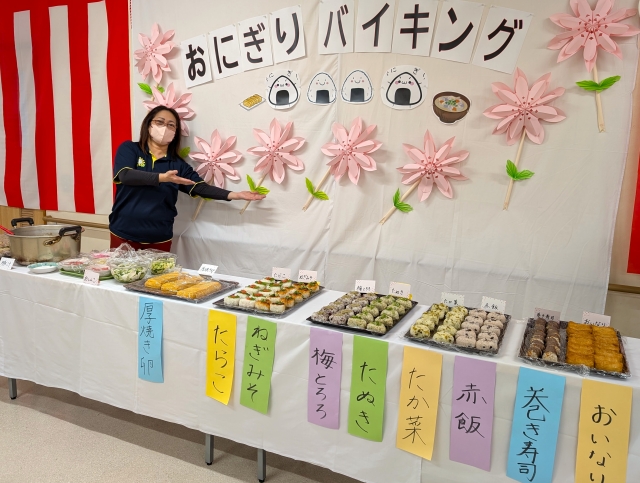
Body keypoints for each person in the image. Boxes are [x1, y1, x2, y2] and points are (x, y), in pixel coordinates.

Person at [109, 106, 265, 251]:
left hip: (159, 237)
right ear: (148, 124)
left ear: (175, 132)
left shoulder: (178, 165)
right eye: (160, 122)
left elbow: (200, 187)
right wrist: (163, 178)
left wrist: (234, 195)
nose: (165, 128)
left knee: (157, 274)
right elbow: (125, 175)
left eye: (171, 125)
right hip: (122, 232)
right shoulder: (130, 149)